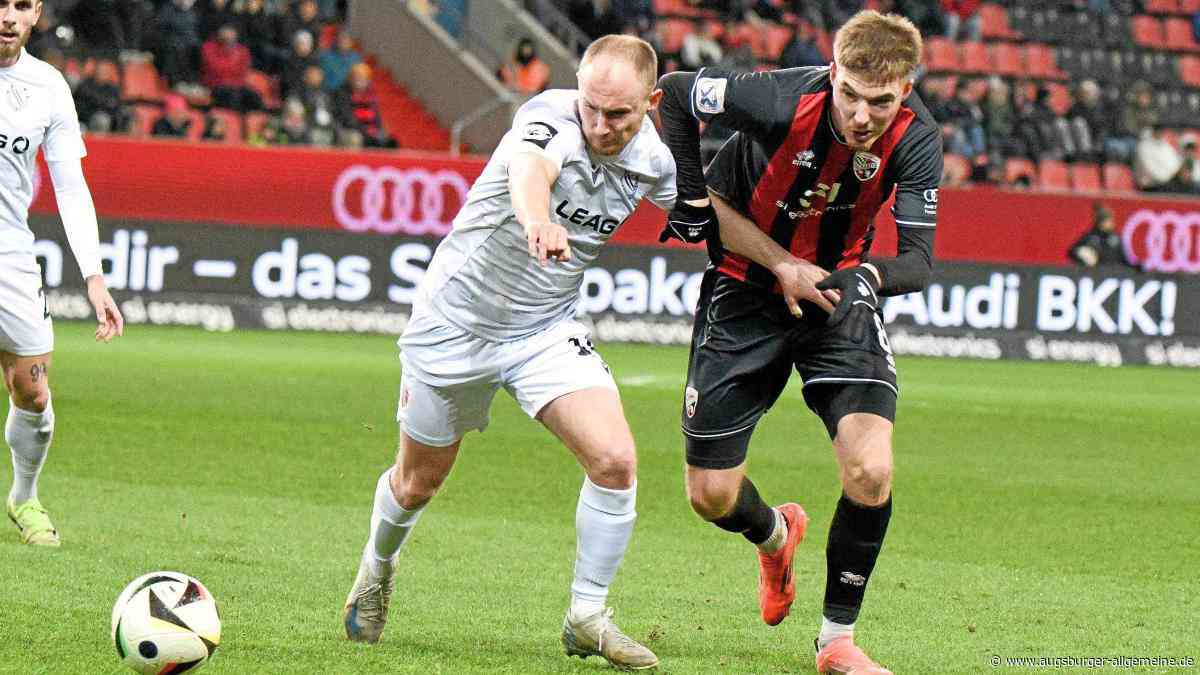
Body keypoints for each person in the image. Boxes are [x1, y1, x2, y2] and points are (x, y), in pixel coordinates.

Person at [341, 34, 675, 671]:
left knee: (613, 459)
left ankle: (586, 617)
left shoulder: (657, 160)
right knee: (417, 483)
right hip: (453, 325)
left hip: (544, 330)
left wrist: (783, 263)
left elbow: (706, 213)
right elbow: (531, 172)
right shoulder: (549, 117)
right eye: (592, 108)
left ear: (651, 103)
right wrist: (536, 220)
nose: (601, 125)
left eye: (619, 115)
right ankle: (377, 569)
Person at [655, 10, 940, 674]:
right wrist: (693, 199)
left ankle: (836, 639)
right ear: (833, 71)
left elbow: (920, 259)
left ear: (905, 89)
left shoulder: (917, 138)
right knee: (711, 496)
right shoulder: (778, 96)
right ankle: (776, 533)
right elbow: (671, 91)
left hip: (836, 296)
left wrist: (865, 276)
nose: (865, 114)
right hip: (742, 290)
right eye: (852, 95)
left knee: (871, 468)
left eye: (883, 101)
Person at [0, 0, 124, 548]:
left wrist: (93, 276)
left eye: (20, 5)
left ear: (36, 15)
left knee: (32, 394)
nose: (7, 15)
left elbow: (71, 187)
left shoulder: (47, 87)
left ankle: (24, 496)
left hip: (10, 256)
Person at [1068, 203, 1131, 268]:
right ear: (1101, 222)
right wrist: (1080, 253)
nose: (1111, 223)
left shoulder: (1116, 238)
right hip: (1096, 273)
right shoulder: (1089, 237)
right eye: (1108, 221)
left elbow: (1125, 260)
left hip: (1113, 273)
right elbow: (1072, 251)